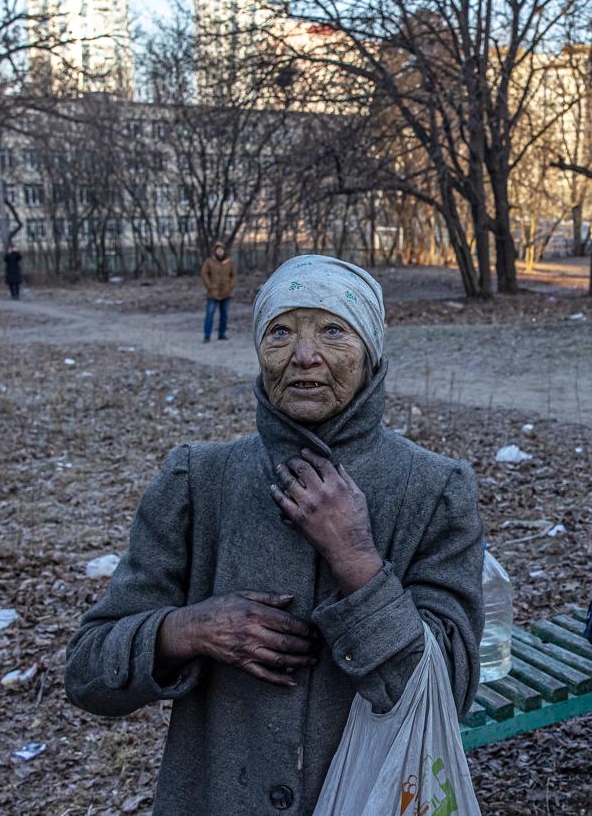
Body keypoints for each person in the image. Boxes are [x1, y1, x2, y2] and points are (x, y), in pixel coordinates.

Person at [65, 255, 484, 816]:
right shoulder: (198, 479)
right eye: (280, 332)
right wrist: (188, 630)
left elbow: (448, 693)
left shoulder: (433, 489)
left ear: (371, 349)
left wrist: (355, 556)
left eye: (333, 331)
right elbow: (89, 672)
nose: (304, 356)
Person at [200, 241, 235, 342]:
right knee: (209, 314)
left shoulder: (229, 262)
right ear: (215, 251)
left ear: (224, 251)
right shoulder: (209, 262)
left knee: (224, 314)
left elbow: (234, 275)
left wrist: (230, 286)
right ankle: (207, 336)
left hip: (226, 292)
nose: (220, 252)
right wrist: (209, 287)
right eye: (218, 250)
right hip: (213, 293)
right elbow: (204, 274)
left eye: (221, 250)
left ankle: (222, 334)